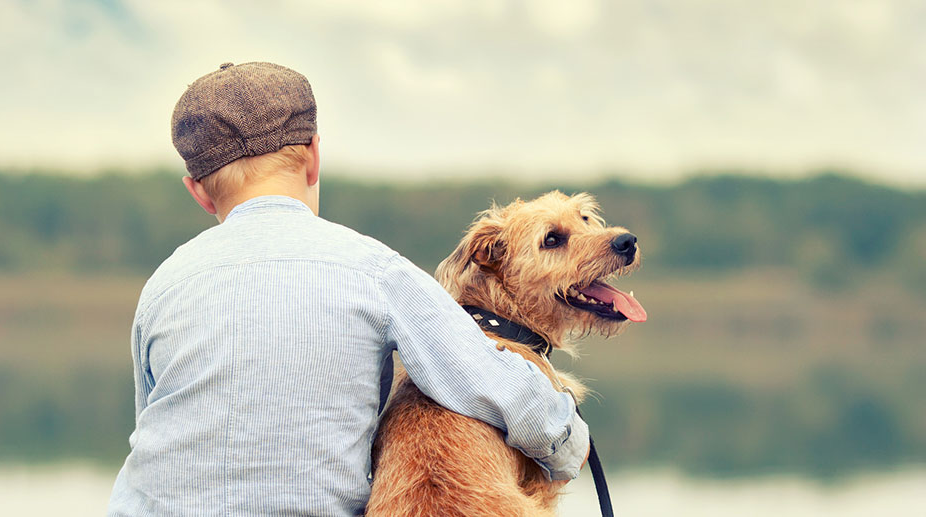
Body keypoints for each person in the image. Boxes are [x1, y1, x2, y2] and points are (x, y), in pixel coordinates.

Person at [106, 61, 589, 516]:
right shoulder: (374, 270)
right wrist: (567, 443)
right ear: (314, 157)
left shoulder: (165, 284)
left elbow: (150, 418)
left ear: (197, 190)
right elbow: (490, 382)